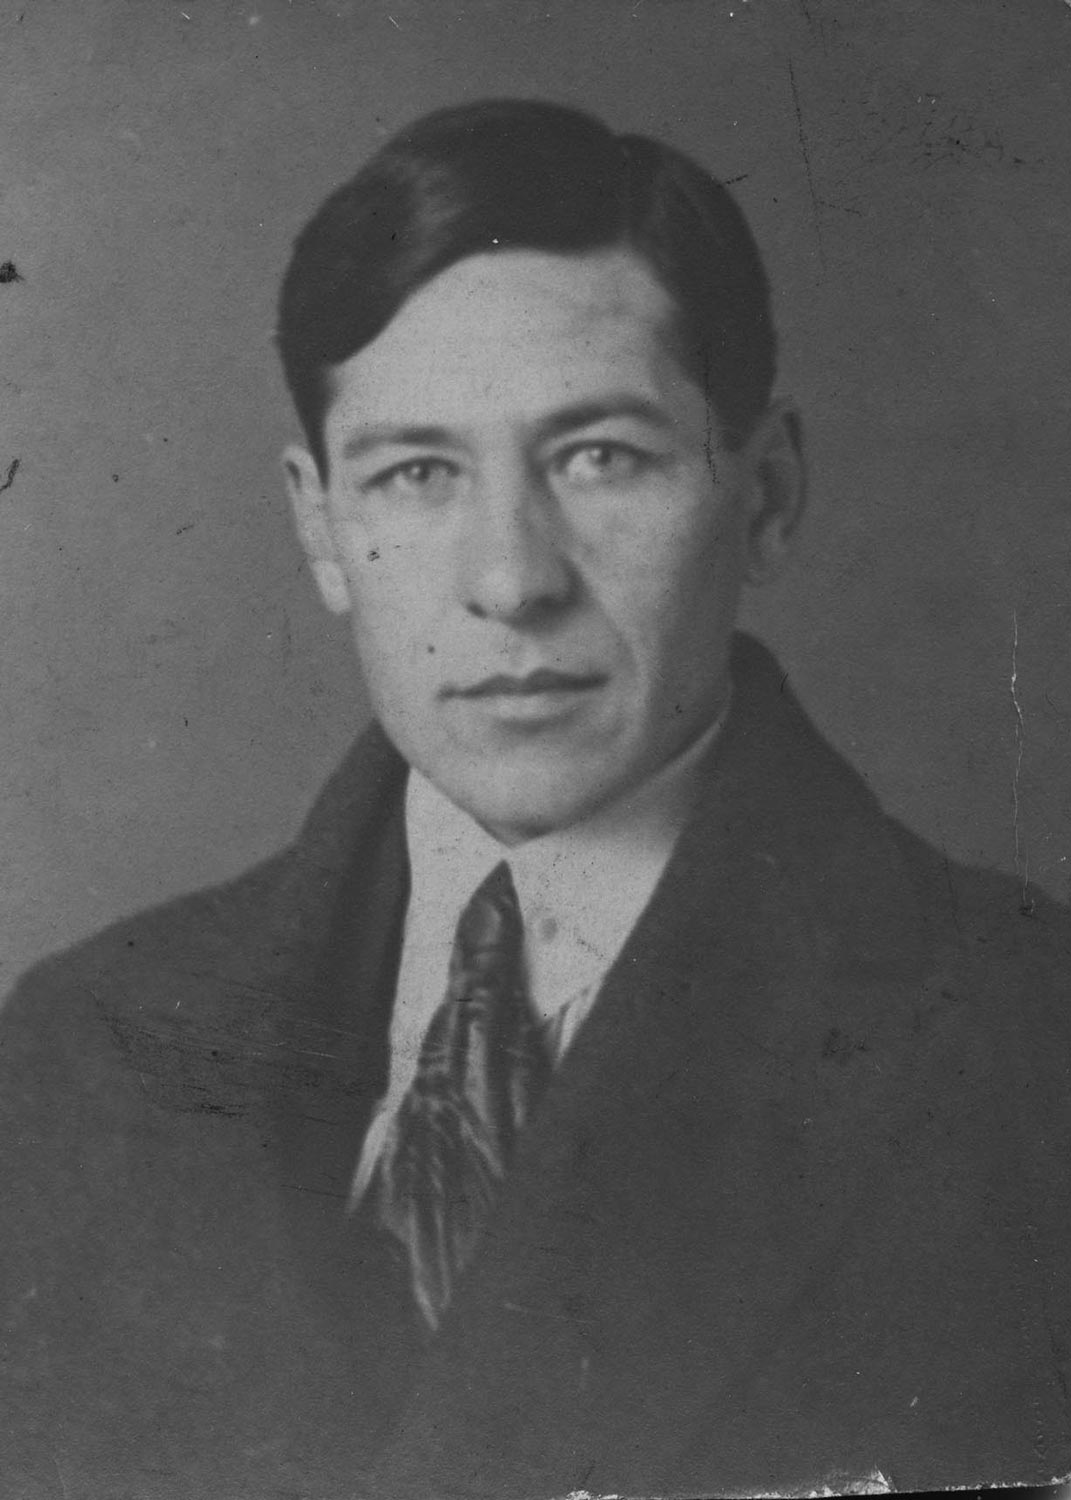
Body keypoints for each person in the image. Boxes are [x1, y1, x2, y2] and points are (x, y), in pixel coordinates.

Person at [2, 98, 1069, 1500]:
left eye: (598, 457)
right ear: (321, 526)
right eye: (417, 474)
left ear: (765, 495)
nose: (511, 580)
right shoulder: (77, 1057)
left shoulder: (1027, 1053)